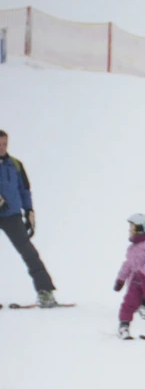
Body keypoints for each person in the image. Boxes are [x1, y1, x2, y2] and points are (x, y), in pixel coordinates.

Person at [0, 130, 58, 307]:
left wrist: (29, 212)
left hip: (11, 215)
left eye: (5, 144)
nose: (3, 147)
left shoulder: (15, 165)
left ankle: (45, 292)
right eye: (0, 144)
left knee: (29, 253)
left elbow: (24, 190)